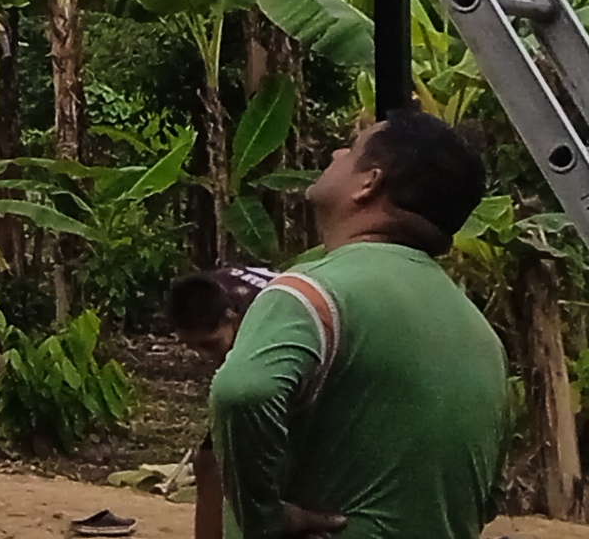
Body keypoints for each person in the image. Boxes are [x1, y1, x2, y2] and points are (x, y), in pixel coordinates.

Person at [209, 111, 510, 539]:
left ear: (369, 183)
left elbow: (242, 393)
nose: (336, 153)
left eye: (350, 149)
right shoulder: (484, 337)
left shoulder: (312, 292)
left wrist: (264, 516)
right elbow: (489, 495)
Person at [157, 264, 273, 539]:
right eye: (193, 346)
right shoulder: (205, 294)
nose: (204, 357)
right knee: (208, 463)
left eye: (210, 345)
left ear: (233, 318)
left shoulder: (268, 315)